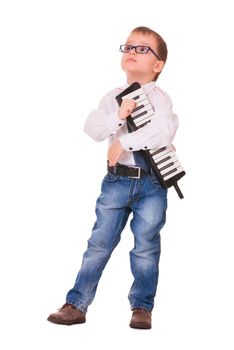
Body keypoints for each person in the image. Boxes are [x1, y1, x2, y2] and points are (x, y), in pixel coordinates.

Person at [47, 26, 178, 329]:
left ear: (158, 65)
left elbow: (163, 132)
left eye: (143, 49)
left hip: (152, 184)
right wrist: (119, 116)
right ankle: (76, 303)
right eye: (128, 47)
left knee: (146, 246)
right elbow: (92, 129)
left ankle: (142, 307)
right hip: (116, 182)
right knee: (98, 244)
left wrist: (124, 142)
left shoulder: (160, 99)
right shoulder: (112, 98)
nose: (132, 51)